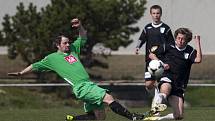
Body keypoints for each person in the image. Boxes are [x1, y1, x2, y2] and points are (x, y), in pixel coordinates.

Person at [8, 18, 164, 121]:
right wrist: (21, 73)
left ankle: (74, 119)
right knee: (108, 98)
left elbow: (83, 35)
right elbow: (35, 65)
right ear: (57, 45)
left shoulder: (74, 49)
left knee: (99, 117)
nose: (68, 45)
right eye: (65, 43)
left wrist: (80, 26)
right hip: (81, 87)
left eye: (68, 42)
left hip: (87, 85)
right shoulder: (51, 59)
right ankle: (135, 118)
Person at [145, 28, 202, 120]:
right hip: (167, 77)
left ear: (187, 40)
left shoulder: (190, 50)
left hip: (179, 84)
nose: (180, 40)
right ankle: (155, 109)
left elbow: (198, 60)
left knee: (179, 116)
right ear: (175, 38)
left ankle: (158, 119)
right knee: (165, 90)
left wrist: (198, 42)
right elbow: (151, 54)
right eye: (178, 38)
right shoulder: (168, 46)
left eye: (183, 39)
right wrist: (161, 64)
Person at [135, 5, 174, 111]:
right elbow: (141, 39)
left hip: (162, 60)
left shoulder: (166, 28)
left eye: (158, 13)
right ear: (151, 14)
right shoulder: (147, 27)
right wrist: (138, 47)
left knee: (163, 84)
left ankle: (158, 102)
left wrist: (169, 59)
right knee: (148, 85)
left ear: (160, 14)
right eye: (154, 13)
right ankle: (156, 95)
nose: (156, 15)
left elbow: (171, 44)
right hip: (150, 61)